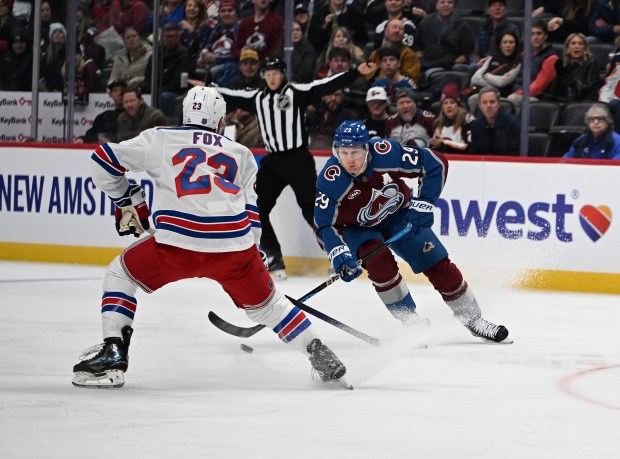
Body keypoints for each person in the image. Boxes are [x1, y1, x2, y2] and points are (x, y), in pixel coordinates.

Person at [72, 86, 351, 390]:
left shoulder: (160, 137)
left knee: (120, 274)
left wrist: (128, 199)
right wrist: (253, 252)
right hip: (234, 246)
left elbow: (102, 160)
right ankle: (320, 354)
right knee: (270, 306)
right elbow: (252, 214)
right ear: (220, 121)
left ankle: (114, 353)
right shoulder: (241, 153)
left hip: (176, 243)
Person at [314, 119, 512, 343]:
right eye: (344, 152)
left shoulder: (386, 153)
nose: (349, 159)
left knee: (437, 263)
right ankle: (410, 321)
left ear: (366, 148)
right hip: (359, 229)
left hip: (400, 216)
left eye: (356, 152)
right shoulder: (330, 181)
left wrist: (425, 203)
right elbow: (324, 225)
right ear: (336, 150)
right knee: (378, 260)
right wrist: (339, 253)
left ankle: (473, 320)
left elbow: (434, 162)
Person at [216, 57, 378, 279]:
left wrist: (355, 72)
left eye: (275, 73)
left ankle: (338, 253)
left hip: (298, 159)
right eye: (268, 73)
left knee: (312, 209)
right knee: (255, 208)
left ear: (283, 74)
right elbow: (227, 94)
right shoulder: (257, 98)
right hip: (273, 161)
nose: (272, 78)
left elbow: (326, 85)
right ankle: (273, 256)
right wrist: (204, 90)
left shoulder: (296, 92)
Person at [141, 22, 196, 116]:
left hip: (175, 92)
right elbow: (148, 77)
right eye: (166, 37)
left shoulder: (184, 55)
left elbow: (177, 83)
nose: (169, 39)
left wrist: (157, 92)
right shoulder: (156, 54)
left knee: (163, 96)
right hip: (157, 90)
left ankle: (166, 123)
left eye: (172, 36)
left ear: (178, 37)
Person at [506, 19, 559, 115]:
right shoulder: (525, 54)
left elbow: (538, 87)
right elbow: (512, 74)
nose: (535, 37)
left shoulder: (551, 58)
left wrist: (518, 93)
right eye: (532, 34)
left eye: (539, 33)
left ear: (546, 36)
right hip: (518, 93)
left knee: (512, 99)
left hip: (538, 98)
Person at [413, 0, 475, 80]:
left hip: (452, 65)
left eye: (450, 2)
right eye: (442, 2)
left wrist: (453, 63)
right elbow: (418, 45)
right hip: (428, 63)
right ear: (436, 6)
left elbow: (467, 51)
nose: (446, 5)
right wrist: (421, 61)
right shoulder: (426, 22)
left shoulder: (462, 25)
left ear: (454, 6)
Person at [466, 30, 521, 113]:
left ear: (515, 45)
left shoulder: (517, 63)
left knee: (475, 97)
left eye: (511, 42)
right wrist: (492, 79)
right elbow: (475, 79)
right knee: (468, 94)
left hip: (500, 94)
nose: (508, 45)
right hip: (480, 89)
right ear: (500, 45)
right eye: (505, 42)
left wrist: (485, 74)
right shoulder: (490, 59)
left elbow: (501, 82)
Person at [542, 33, 601, 104]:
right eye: (573, 43)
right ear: (567, 48)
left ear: (585, 48)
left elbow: (591, 90)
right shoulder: (562, 64)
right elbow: (554, 89)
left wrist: (574, 84)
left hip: (582, 102)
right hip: (562, 101)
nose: (577, 46)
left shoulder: (591, 63)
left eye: (580, 44)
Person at [196, 0, 240, 87]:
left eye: (230, 10)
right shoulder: (216, 30)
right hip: (211, 65)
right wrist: (201, 58)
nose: (226, 14)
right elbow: (205, 48)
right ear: (219, 14)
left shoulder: (240, 30)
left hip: (230, 67)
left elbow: (238, 55)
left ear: (236, 13)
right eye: (223, 11)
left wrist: (217, 59)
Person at [466, 86, 520, 155]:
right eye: (484, 102)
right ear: (480, 106)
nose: (488, 106)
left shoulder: (513, 124)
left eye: (492, 102)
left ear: (499, 104)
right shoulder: (475, 126)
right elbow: (474, 154)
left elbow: (517, 155)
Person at [76, 79, 127, 144]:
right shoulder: (103, 117)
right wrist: (82, 139)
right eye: (115, 91)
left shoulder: (135, 116)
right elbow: (93, 135)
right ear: (110, 94)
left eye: (122, 90)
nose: (119, 94)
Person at [370, 47, 418, 111]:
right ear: (380, 65)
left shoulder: (408, 84)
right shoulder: (377, 85)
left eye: (392, 60)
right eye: (384, 60)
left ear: (398, 63)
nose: (388, 63)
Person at [430, 82, 473, 153]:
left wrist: (444, 143)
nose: (449, 106)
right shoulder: (438, 124)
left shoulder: (468, 121)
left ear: (458, 105)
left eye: (452, 102)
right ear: (442, 107)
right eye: (445, 103)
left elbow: (468, 147)